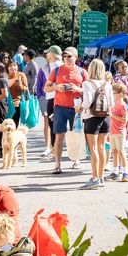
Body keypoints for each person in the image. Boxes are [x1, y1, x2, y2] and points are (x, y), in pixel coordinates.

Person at [46, 47, 85, 175]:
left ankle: (76, 159)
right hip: (60, 107)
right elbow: (46, 88)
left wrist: (77, 89)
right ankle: (57, 164)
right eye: (65, 56)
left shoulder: (82, 72)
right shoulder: (56, 71)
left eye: (69, 56)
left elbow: (89, 90)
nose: (67, 59)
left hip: (76, 107)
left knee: (77, 134)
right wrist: (57, 87)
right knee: (59, 136)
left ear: (76, 57)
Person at [80, 59, 113, 189]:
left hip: (92, 118)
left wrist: (80, 107)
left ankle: (94, 178)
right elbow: (111, 103)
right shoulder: (107, 84)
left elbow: (87, 103)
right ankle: (101, 177)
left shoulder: (87, 84)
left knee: (93, 149)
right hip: (105, 118)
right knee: (101, 147)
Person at [35, 46, 62, 157]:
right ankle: (52, 148)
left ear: (53, 54)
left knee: (57, 125)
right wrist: (41, 95)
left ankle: (55, 148)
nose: (46, 55)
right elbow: (41, 82)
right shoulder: (46, 67)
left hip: (58, 98)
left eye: (48, 53)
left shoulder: (60, 66)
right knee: (52, 124)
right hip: (49, 98)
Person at [108, 82, 128, 182]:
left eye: (114, 93)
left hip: (120, 132)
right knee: (114, 151)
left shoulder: (123, 105)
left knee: (121, 151)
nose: (112, 95)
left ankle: (125, 172)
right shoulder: (113, 104)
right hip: (112, 131)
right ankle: (115, 172)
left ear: (121, 93)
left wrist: (112, 115)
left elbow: (124, 120)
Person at [7, 60, 27, 128]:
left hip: (16, 103)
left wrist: (21, 86)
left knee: (14, 125)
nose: (13, 67)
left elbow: (26, 88)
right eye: (10, 65)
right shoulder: (4, 76)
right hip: (5, 104)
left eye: (14, 65)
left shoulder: (21, 75)